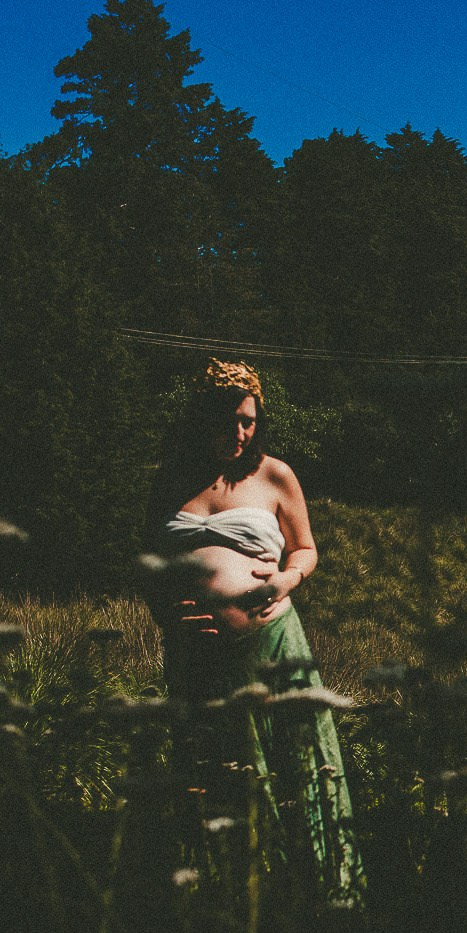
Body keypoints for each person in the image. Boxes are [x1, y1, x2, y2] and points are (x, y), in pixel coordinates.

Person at [146, 358, 364, 901]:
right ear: (201, 419)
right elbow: (146, 562)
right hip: (196, 655)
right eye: (228, 421)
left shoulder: (274, 475)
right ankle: (228, 901)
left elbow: (306, 549)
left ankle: (318, 897)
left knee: (295, 762)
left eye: (248, 421)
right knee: (212, 771)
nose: (240, 432)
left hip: (271, 643)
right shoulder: (171, 478)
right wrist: (167, 613)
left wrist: (287, 579)